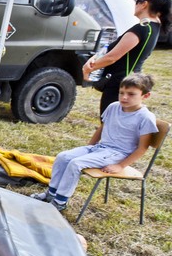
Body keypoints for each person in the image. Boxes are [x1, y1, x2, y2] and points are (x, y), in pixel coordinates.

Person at [31, 74, 157, 211]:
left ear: (145, 96)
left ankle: (60, 202)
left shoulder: (145, 117)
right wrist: (89, 146)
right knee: (63, 157)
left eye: (131, 94)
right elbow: (102, 128)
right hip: (100, 148)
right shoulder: (114, 106)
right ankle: (51, 194)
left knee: (75, 164)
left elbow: (142, 148)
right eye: (121, 93)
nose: (124, 97)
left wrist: (120, 166)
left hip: (118, 154)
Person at [83, 0, 171, 115]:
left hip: (120, 84)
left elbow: (112, 57)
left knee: (110, 122)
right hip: (130, 82)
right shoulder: (153, 28)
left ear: (144, 5)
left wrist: (88, 69)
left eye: (138, 1)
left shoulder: (141, 29)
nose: (135, 4)